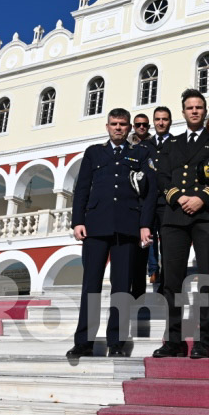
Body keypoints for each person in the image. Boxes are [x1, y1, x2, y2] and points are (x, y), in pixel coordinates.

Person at [67, 109, 156, 359]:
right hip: (95, 225)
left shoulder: (141, 153)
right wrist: (78, 221)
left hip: (127, 225)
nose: (118, 128)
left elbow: (150, 192)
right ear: (107, 126)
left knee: (122, 286)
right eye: (114, 124)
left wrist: (145, 224)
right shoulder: (94, 152)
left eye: (123, 124)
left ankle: (116, 341)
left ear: (129, 128)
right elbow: (82, 188)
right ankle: (84, 341)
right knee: (91, 285)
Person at [153, 89, 209, 359]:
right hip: (175, 216)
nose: (195, 111)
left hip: (207, 214)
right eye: (190, 107)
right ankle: (173, 341)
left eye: (199, 107)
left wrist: (202, 198)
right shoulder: (172, 144)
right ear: (183, 112)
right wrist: (178, 197)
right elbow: (162, 177)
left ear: (205, 110)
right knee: (172, 282)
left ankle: (205, 340)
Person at [140, 106, 174, 290]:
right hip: (149, 201)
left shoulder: (176, 143)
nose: (161, 123)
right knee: (149, 239)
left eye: (165, 119)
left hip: (168, 202)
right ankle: (153, 270)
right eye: (158, 119)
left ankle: (167, 278)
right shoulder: (145, 146)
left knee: (167, 242)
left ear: (170, 121)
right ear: (153, 122)